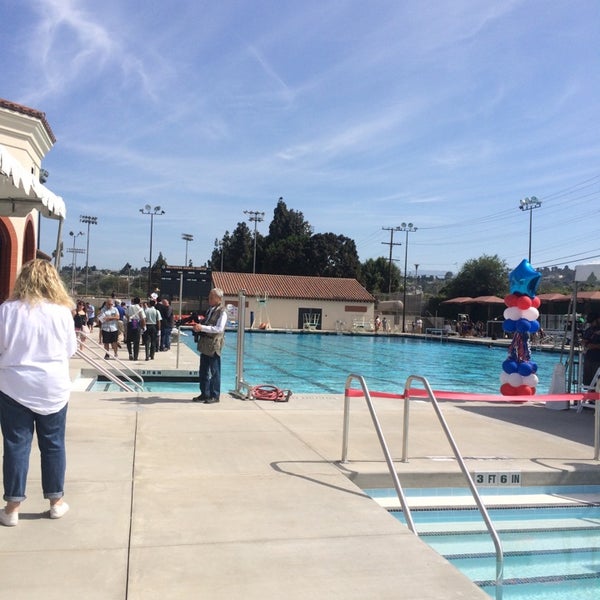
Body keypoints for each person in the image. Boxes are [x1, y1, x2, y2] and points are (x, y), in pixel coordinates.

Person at [0, 259, 77, 526]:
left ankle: (12, 507)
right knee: (53, 444)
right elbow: (70, 350)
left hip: (14, 386)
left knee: (16, 446)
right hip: (52, 387)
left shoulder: (7, 310)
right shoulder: (62, 312)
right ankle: (56, 502)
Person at [192, 288, 227, 403]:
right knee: (203, 371)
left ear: (219, 299)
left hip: (214, 345)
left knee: (214, 371)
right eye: (209, 296)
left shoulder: (222, 312)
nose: (209, 299)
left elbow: (219, 328)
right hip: (205, 344)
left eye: (212, 297)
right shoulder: (210, 310)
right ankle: (205, 393)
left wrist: (202, 328)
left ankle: (215, 395)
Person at [582, 312, 600, 387]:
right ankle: (591, 395)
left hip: (597, 359)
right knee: (589, 382)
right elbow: (584, 342)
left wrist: (594, 346)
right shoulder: (589, 330)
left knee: (596, 382)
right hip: (590, 358)